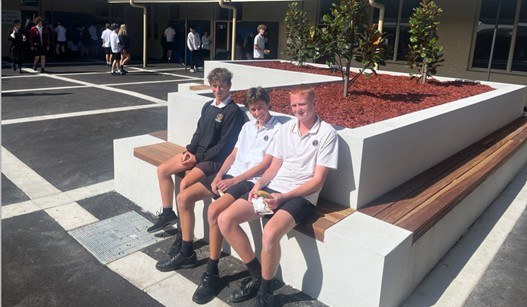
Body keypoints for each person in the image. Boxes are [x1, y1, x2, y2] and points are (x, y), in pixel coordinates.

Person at [155, 87, 282, 305]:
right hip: (231, 175)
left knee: (215, 211)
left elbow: (264, 164)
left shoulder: (278, 129)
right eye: (253, 109)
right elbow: (233, 154)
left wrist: (232, 180)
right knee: (184, 197)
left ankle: (212, 271)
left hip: (249, 180)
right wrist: (219, 175)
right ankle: (187, 252)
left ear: (269, 104)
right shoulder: (247, 127)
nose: (258, 112)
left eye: (261, 107)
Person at [218, 84, 339, 306]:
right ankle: (256, 274)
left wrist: (283, 198)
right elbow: (274, 166)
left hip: (302, 196)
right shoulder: (286, 130)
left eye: (302, 104)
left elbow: (317, 181)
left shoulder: (327, 134)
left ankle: (266, 293)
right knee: (225, 219)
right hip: (274, 190)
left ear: (314, 104)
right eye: (294, 105)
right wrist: (259, 185)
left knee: (270, 234)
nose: (298, 109)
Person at [147, 67, 246, 234]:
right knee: (162, 170)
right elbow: (199, 131)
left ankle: (183, 233)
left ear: (229, 86)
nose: (217, 90)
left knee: (185, 183)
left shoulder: (232, 112)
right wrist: (190, 151)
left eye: (221, 86)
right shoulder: (208, 106)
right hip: (198, 155)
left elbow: (225, 146)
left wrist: (198, 158)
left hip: (212, 160)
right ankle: (167, 213)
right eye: (214, 85)